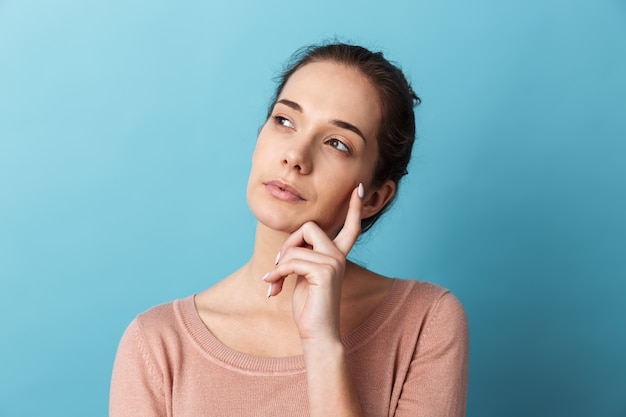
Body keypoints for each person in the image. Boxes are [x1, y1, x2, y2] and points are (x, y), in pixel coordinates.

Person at [109, 42, 469, 417]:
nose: (295, 156)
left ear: (375, 197)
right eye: (284, 121)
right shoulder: (157, 344)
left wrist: (322, 345)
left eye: (337, 143)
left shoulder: (426, 322)